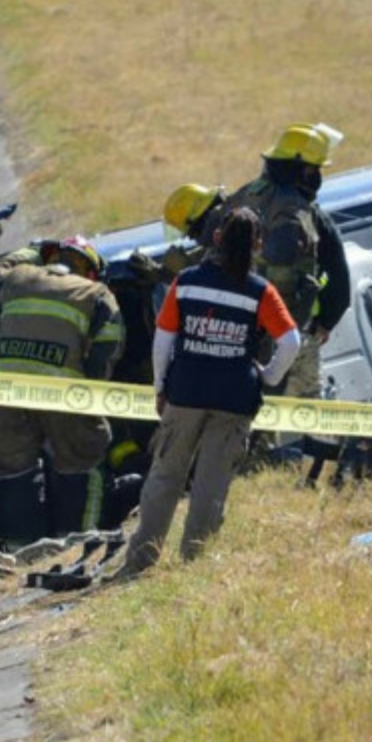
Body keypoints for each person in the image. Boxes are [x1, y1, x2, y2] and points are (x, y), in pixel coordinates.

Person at [118, 208, 300, 577]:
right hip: (235, 399)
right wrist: (267, 376)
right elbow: (291, 341)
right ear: (258, 245)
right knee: (211, 484)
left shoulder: (185, 282)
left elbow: (163, 341)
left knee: (165, 477)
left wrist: (159, 387)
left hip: (185, 392)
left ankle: (140, 561)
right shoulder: (260, 292)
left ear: (216, 239)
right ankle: (194, 564)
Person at [0, 235, 125, 547]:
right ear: (91, 270)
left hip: (5, 392)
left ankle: (20, 551)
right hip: (64, 395)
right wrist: (92, 392)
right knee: (82, 461)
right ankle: (75, 547)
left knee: (11, 467)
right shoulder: (97, 294)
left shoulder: (17, 279)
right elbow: (108, 349)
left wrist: (30, 249)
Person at [225, 124, 350, 406]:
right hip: (290, 330)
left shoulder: (242, 197)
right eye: (316, 169)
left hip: (230, 326)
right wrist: (327, 319)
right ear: (305, 171)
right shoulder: (305, 214)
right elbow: (339, 275)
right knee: (303, 410)